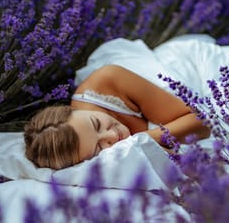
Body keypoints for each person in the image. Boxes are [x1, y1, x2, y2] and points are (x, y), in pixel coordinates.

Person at [24, 64, 210, 169]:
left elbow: (202, 122)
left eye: (97, 124)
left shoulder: (109, 80)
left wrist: (144, 139)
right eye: (98, 148)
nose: (112, 137)